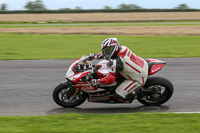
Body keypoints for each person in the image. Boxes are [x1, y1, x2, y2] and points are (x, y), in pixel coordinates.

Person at [89, 38, 149, 102]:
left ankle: (139, 92)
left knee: (118, 95)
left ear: (114, 48)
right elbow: (107, 54)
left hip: (138, 77)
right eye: (105, 50)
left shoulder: (117, 62)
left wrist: (98, 81)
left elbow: (110, 79)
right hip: (142, 64)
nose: (106, 52)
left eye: (108, 50)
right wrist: (94, 56)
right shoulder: (122, 48)